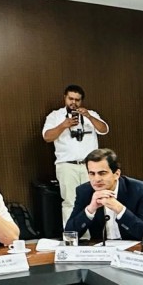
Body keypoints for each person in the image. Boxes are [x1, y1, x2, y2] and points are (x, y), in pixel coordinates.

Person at [42, 85, 109, 225]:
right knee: (70, 202)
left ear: (81, 101)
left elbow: (104, 130)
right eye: (70, 99)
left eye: (77, 100)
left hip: (91, 167)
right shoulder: (55, 116)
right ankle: (72, 234)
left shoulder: (91, 114)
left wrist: (89, 117)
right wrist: (63, 125)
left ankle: (94, 234)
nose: (73, 103)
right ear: (64, 98)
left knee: (95, 200)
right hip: (67, 166)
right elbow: (47, 137)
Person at [64, 149, 143, 241]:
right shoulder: (84, 191)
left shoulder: (139, 190)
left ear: (117, 174)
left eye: (102, 173)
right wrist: (90, 209)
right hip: (100, 248)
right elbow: (69, 235)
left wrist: (119, 208)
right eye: (92, 174)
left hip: (133, 246)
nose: (97, 179)